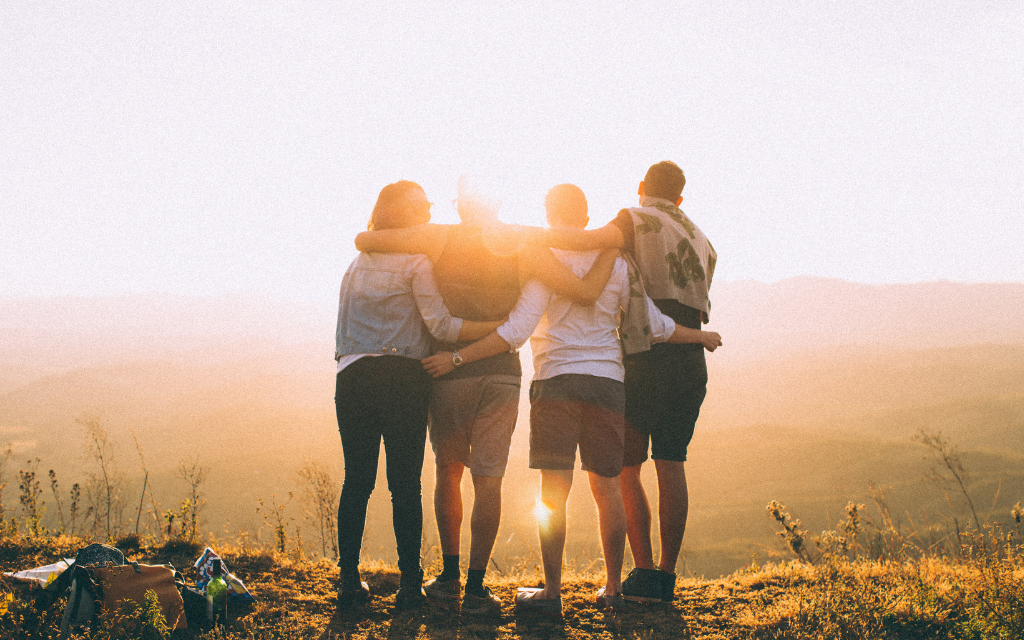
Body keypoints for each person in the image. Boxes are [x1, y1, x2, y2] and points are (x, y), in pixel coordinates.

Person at [421, 184, 721, 615]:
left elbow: (516, 331)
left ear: (548, 214)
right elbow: (655, 325)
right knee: (608, 490)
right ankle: (614, 589)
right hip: (607, 385)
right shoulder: (617, 262)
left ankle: (553, 592)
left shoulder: (544, 261)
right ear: (586, 218)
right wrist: (700, 336)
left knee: (553, 494)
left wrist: (458, 357)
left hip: (555, 382)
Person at [354, 176, 617, 615]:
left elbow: (368, 239)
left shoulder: (438, 238)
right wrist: (612, 246)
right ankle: (477, 586)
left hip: (447, 370)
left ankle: (449, 575)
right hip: (501, 374)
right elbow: (581, 289)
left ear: (460, 206)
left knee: (448, 470)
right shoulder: (522, 242)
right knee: (489, 479)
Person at [522, 162, 717, 603]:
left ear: (642, 188)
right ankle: (664, 579)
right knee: (672, 464)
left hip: (644, 356)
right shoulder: (702, 239)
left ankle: (641, 574)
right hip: (688, 358)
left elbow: (587, 241)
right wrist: (701, 337)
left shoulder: (634, 219)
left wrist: (522, 236)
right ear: (681, 198)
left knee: (624, 470)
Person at [333, 180, 505, 612]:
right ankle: (410, 585)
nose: (428, 211)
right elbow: (443, 328)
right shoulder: (416, 262)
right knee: (404, 484)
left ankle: (349, 582)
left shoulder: (355, 264)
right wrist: (496, 329)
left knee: (357, 480)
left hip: (352, 376)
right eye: (421, 206)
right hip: (403, 378)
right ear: (401, 214)